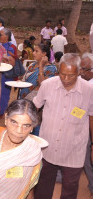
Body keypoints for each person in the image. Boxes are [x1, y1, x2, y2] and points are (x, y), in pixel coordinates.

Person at [33, 53, 93, 199]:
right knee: (43, 184)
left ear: (79, 72)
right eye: (62, 74)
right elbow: (35, 108)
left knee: (70, 188)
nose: (66, 79)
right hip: (49, 146)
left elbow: (91, 117)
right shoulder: (47, 85)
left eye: (71, 75)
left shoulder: (89, 90)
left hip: (74, 149)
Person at [81, 53, 93, 198]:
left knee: (88, 159)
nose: (81, 72)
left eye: (83, 69)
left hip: (89, 129)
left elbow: (89, 116)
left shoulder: (89, 86)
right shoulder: (86, 81)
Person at [0, 28, 17, 116]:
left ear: (6, 36)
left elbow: (12, 62)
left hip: (6, 74)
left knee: (4, 94)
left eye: (1, 34)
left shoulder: (11, 47)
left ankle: (1, 111)